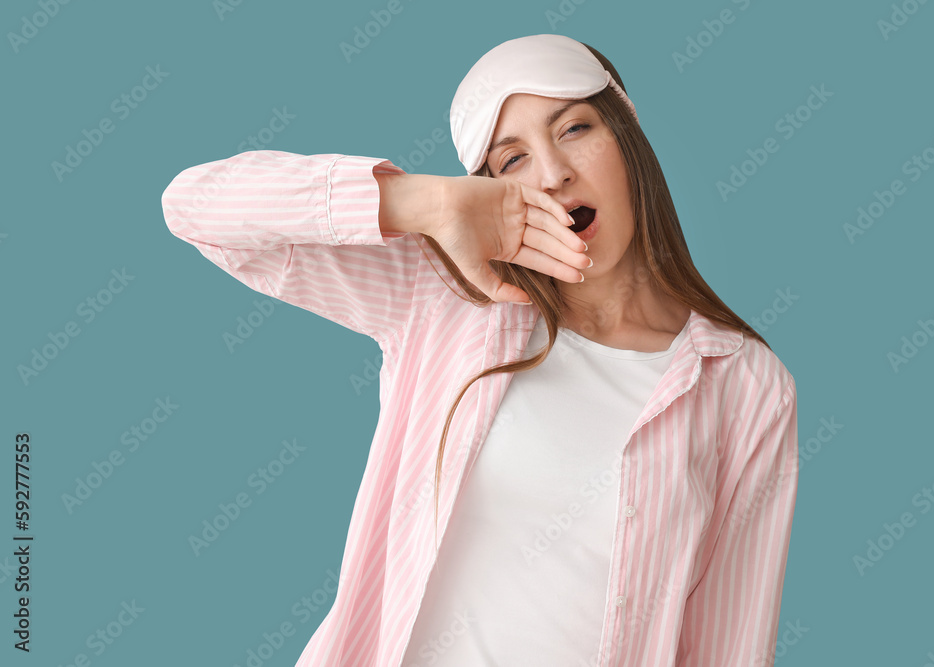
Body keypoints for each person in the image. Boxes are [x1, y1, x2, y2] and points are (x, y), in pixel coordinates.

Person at [161, 33, 798, 667]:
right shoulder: (443, 296)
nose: (554, 174)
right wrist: (426, 201)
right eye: (511, 160)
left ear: (628, 137)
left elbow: (728, 644)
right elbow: (195, 206)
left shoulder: (744, 382)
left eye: (574, 129)